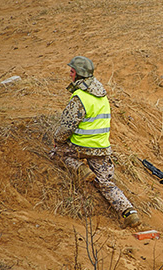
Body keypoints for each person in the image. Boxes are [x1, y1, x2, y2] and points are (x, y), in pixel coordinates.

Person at [51, 56, 140, 228]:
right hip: (101, 149)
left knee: (56, 154)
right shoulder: (102, 95)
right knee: (105, 183)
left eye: (72, 71)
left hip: (79, 147)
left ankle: (80, 168)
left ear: (78, 74)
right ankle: (129, 212)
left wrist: (57, 141)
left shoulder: (80, 97)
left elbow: (66, 128)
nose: (69, 74)